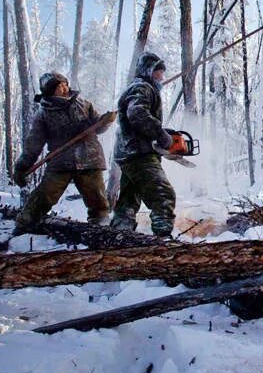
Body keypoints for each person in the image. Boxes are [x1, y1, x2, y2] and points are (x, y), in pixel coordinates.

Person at [13, 72, 110, 232]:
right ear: (50, 92)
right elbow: (34, 142)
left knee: (97, 199)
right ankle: (24, 225)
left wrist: (105, 121)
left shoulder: (84, 104)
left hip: (90, 158)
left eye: (64, 84)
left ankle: (100, 227)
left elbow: (98, 127)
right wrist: (23, 165)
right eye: (59, 87)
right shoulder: (44, 113)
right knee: (45, 195)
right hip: (61, 162)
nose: (64, 88)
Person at [110, 51, 177, 238]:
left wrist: (161, 133)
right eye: (157, 72)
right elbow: (137, 114)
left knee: (129, 199)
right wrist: (160, 133)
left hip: (129, 152)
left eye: (162, 72)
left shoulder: (138, 87)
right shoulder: (142, 87)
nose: (161, 77)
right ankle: (163, 240)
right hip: (139, 153)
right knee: (163, 195)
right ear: (148, 71)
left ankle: (119, 235)